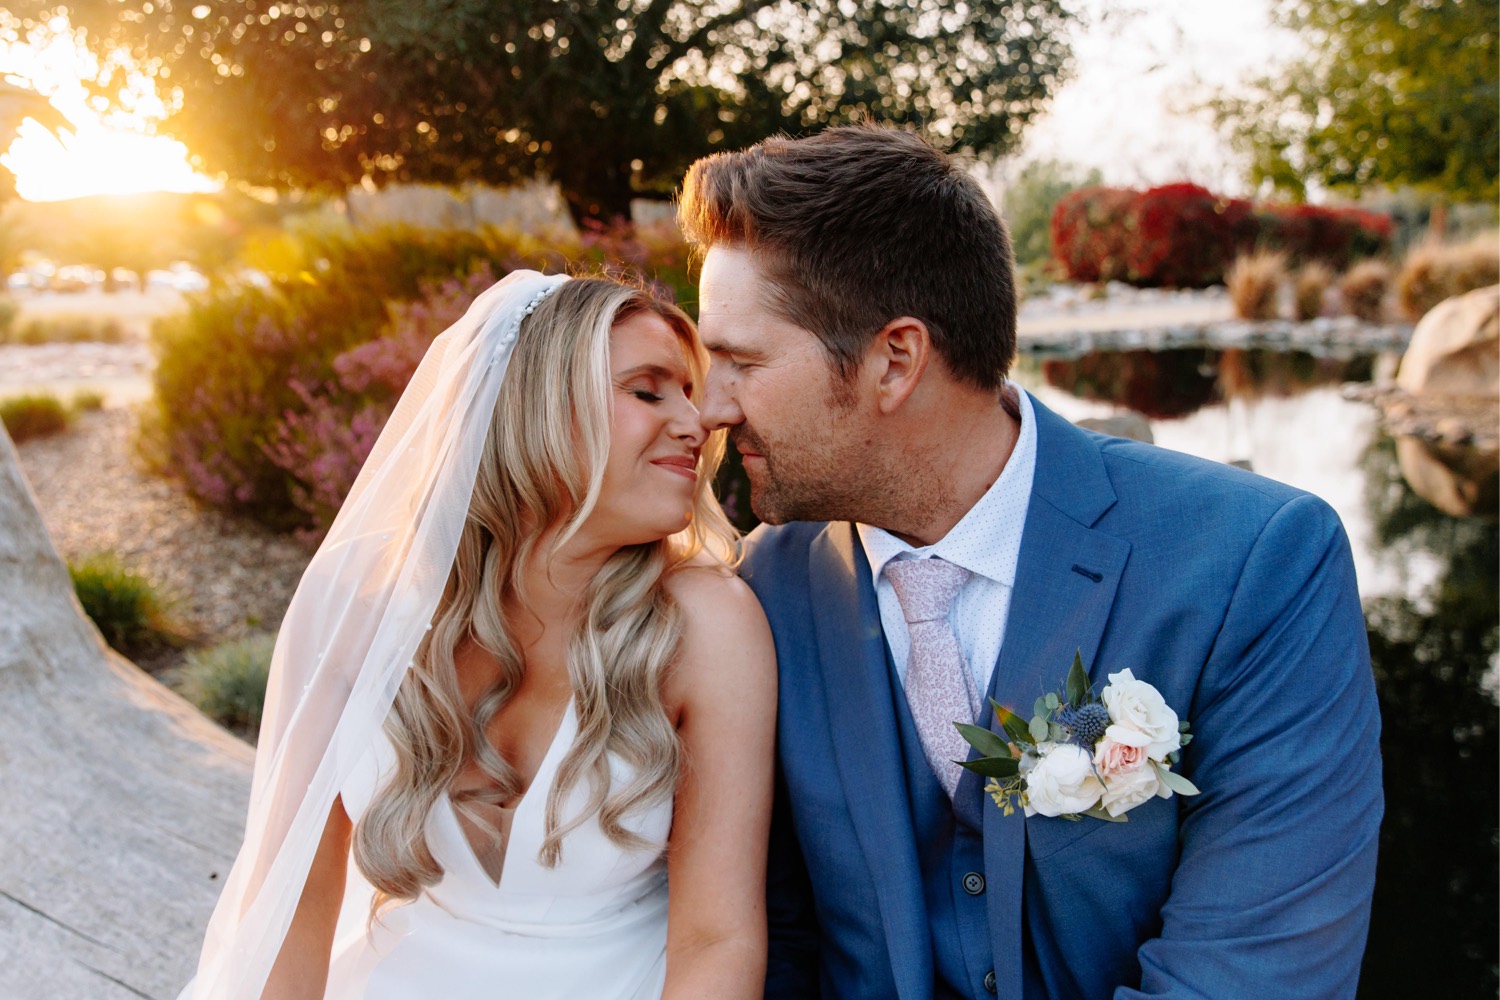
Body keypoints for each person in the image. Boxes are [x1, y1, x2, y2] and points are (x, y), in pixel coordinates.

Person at [679, 124, 1383, 999]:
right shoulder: (757, 597)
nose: (707, 407)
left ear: (895, 361)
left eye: (740, 361)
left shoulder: (1256, 564)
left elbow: (1253, 975)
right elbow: (772, 945)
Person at [179, 271, 777, 1000]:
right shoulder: (362, 601)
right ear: (534, 409)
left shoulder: (707, 624)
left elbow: (717, 940)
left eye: (689, 391)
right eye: (649, 391)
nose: (698, 421)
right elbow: (293, 907)